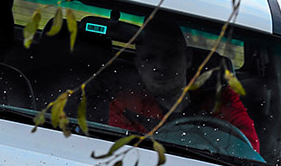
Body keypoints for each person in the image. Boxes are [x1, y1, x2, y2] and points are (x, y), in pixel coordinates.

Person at [108, 18, 259, 151]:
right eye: (149, 59)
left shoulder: (220, 100)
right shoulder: (126, 108)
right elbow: (123, 157)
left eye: (170, 56)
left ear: (187, 59)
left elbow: (248, 151)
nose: (160, 66)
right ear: (138, 65)